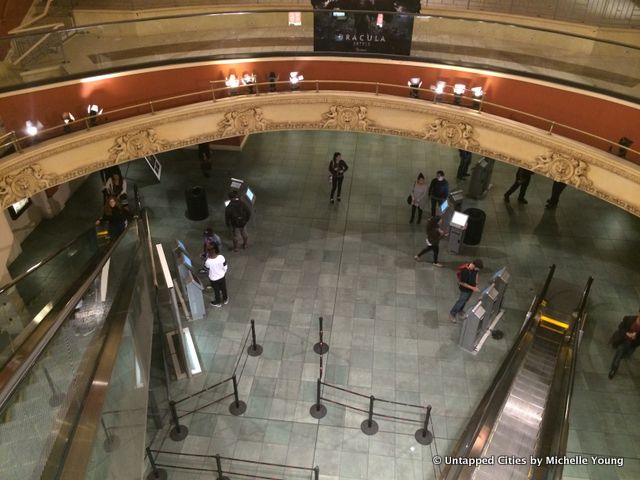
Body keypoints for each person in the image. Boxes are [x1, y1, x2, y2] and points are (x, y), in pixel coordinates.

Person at [608, 310, 640, 379]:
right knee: (619, 352)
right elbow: (620, 327)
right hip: (624, 340)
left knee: (623, 355)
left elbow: (638, 342)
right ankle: (613, 369)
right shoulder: (629, 319)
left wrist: (635, 338)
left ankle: (615, 365)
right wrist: (627, 333)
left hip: (632, 344)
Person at [449, 259, 484, 323]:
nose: (477, 270)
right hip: (465, 289)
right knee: (461, 301)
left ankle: (460, 310)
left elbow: (476, 274)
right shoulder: (465, 271)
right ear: (474, 265)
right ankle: (452, 314)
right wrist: (473, 288)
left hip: (471, 289)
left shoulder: (475, 269)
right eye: (477, 268)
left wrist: (476, 282)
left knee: (465, 300)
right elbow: (462, 283)